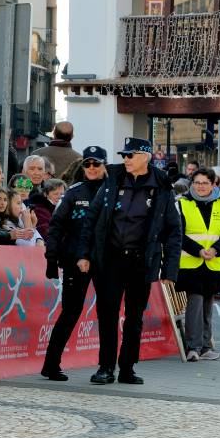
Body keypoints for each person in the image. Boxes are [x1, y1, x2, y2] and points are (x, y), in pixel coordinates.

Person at [76, 137, 183, 386]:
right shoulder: (113, 182)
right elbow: (91, 219)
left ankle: (127, 368)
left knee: (134, 318)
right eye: (124, 155)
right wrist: (83, 254)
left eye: (130, 155)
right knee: (107, 315)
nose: (125, 159)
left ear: (144, 157)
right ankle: (105, 368)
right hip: (110, 260)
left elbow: (173, 231)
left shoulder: (162, 187)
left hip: (141, 262)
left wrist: (170, 270)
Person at [42, 147, 107, 381]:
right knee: (70, 312)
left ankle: (106, 367)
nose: (91, 168)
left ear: (104, 165)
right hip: (74, 262)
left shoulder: (114, 191)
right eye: (87, 164)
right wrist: (52, 259)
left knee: (107, 314)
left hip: (104, 262)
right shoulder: (73, 193)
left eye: (96, 164)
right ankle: (51, 364)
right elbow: (55, 227)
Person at [177, 169, 220, 362]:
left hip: (213, 263)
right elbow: (178, 234)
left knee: (207, 307)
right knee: (195, 305)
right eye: (197, 182)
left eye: (205, 182)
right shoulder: (182, 203)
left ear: (213, 184)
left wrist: (216, 249)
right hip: (191, 263)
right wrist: (199, 250)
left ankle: (205, 346)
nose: (200, 186)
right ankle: (193, 347)